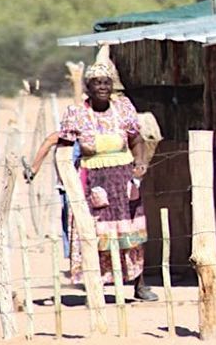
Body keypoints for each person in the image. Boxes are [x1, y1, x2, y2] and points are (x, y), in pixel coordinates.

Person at [56, 62, 157, 301]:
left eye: (106, 82)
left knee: (131, 232)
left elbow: (136, 140)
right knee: (96, 234)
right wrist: (67, 180)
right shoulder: (76, 113)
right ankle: (97, 286)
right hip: (93, 181)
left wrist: (140, 164)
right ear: (88, 87)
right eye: (97, 83)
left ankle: (139, 284)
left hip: (123, 181)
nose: (102, 87)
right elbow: (63, 147)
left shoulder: (124, 108)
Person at [25, 132, 80, 259]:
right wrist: (34, 169)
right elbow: (49, 140)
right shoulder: (74, 132)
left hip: (75, 187)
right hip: (73, 186)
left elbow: (49, 140)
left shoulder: (75, 131)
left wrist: (34, 169)